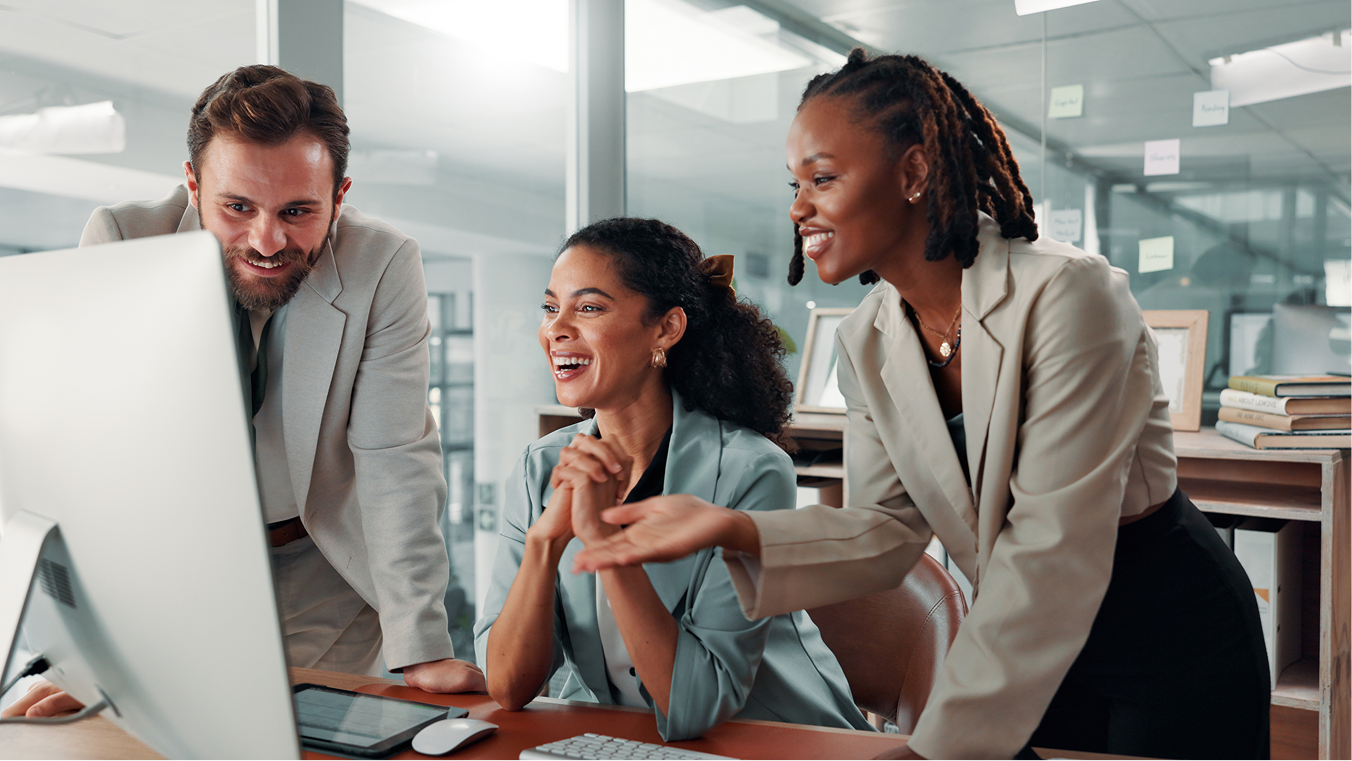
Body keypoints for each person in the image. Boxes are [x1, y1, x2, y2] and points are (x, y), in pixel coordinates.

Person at [574, 51, 1270, 761]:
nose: (797, 207)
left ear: (911, 174)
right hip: (1021, 632)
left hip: (1160, 622)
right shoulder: (868, 338)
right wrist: (736, 529)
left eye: (822, 178)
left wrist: (926, 748)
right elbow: (885, 531)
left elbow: (1053, 548)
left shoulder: (1070, 295)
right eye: (795, 184)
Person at [3, 65, 482, 720]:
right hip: (174, 566)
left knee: (287, 739)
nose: (266, 240)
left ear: (338, 196)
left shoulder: (383, 266)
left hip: (320, 568)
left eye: (297, 211)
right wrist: (92, 655)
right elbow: (97, 463)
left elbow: (396, 459)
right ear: (194, 185)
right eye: (237, 208)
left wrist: (422, 643)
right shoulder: (123, 241)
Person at [474, 217, 873, 741]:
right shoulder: (539, 468)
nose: (556, 329)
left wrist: (603, 543)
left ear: (665, 329)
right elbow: (507, 684)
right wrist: (545, 542)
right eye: (551, 308)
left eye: (589, 308)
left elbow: (698, 705)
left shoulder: (751, 470)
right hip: (623, 742)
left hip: (772, 739)